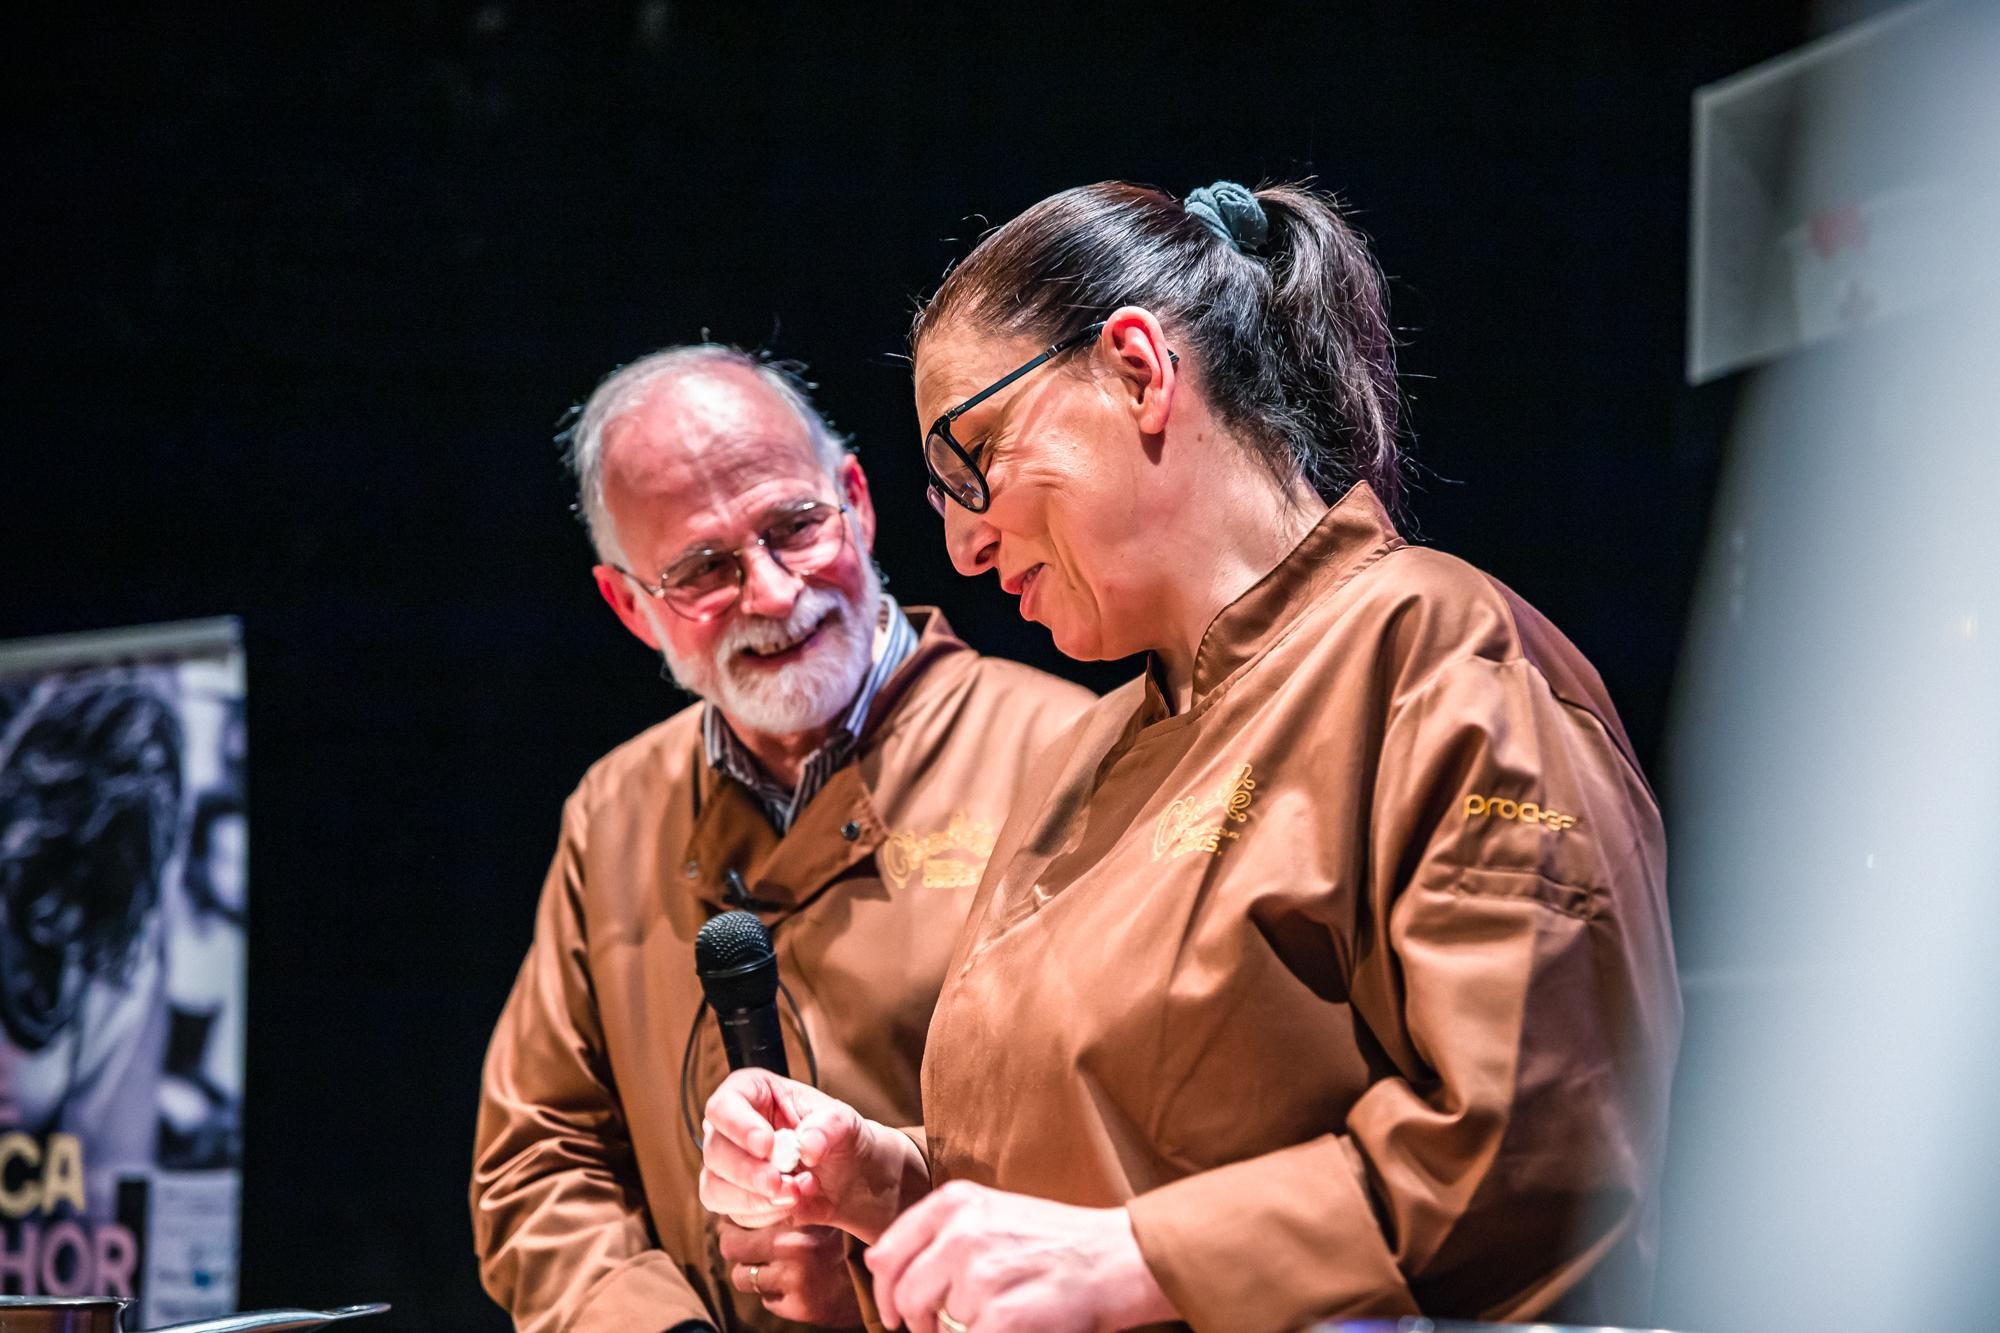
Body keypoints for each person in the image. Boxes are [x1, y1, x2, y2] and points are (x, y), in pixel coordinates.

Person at [697, 182, 1683, 1333]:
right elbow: (1089, 1175)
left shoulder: (1433, 656)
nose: (962, 544)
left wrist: (1141, 1259)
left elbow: (1542, 1150)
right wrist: (885, 1174)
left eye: (973, 461)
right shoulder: (1092, 747)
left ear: (1135, 369)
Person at [470, 345, 1094, 1333]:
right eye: (702, 569)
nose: (769, 591)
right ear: (629, 605)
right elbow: (538, 1159)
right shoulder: (613, 809)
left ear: (856, 497)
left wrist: (879, 1262)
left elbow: (1129, 1154)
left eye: (794, 526)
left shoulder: (1069, 755)